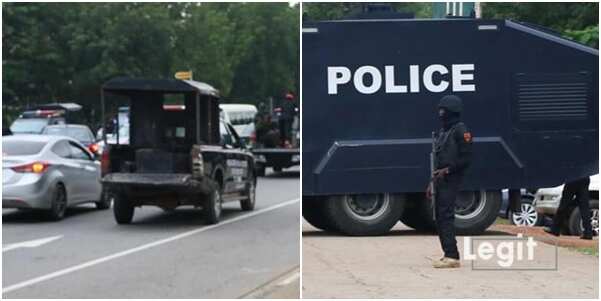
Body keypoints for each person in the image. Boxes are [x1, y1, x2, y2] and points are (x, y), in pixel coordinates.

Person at [426, 95, 473, 269]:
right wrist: (431, 183)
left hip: (451, 178)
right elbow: (438, 159)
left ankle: (452, 255)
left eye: (443, 110)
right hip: (440, 179)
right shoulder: (445, 131)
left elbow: (466, 159)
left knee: (445, 216)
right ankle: (448, 253)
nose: (440, 114)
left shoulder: (461, 131)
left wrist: (448, 170)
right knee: (439, 216)